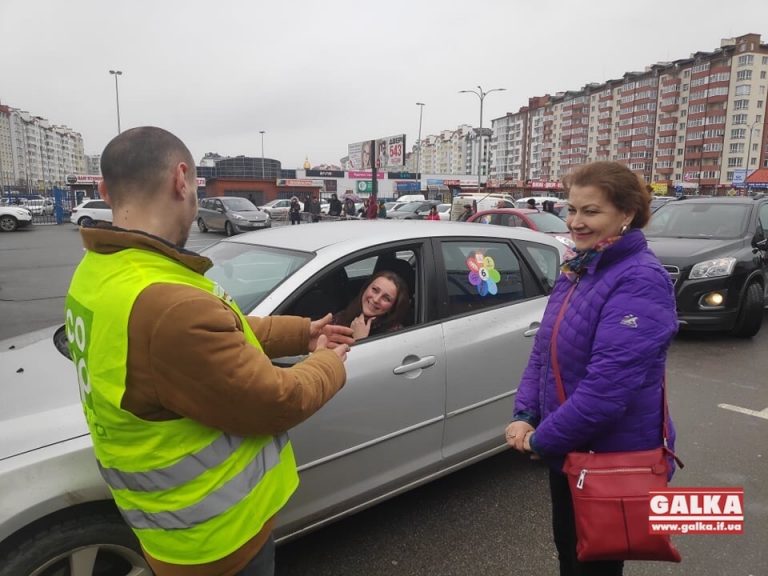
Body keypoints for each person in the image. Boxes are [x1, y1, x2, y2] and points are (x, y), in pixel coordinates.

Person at [65, 127, 355, 576]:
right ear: (182, 180)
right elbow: (276, 400)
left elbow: (223, 329)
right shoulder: (168, 304)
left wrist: (303, 332)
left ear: (104, 189)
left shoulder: (103, 271)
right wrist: (327, 363)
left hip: (170, 529)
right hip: (218, 541)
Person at [505, 161, 678, 576]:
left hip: (608, 458)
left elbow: (606, 391)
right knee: (570, 551)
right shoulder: (580, 268)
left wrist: (541, 439)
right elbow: (543, 355)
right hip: (571, 450)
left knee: (593, 563)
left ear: (627, 214)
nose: (575, 222)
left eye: (590, 211)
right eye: (571, 209)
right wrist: (525, 414)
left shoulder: (640, 279)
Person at [333, 270, 409, 341]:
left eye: (386, 298)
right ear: (365, 288)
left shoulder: (395, 335)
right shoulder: (341, 316)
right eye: (375, 290)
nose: (376, 300)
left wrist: (360, 339)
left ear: (392, 308)